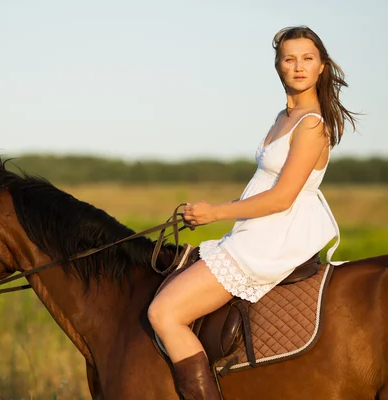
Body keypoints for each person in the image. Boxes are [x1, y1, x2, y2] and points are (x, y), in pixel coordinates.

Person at [148, 25, 357, 399]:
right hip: (255, 229)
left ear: (321, 67)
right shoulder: (284, 116)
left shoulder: (311, 125)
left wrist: (215, 212)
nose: (298, 67)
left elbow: (281, 198)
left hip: (274, 235)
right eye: (290, 59)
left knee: (164, 312)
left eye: (308, 59)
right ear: (278, 66)